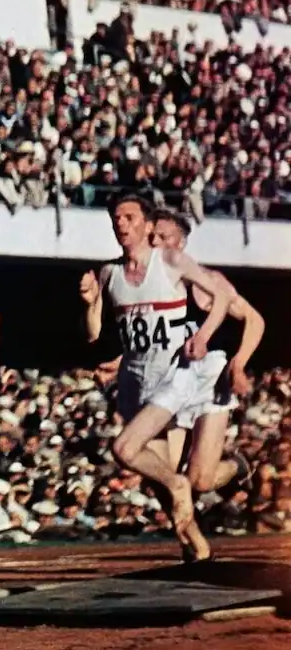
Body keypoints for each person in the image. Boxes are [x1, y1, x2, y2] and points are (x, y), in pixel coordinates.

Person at [79, 192, 232, 563]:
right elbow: (93, 334)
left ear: (148, 226)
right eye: (116, 218)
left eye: (129, 217)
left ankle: (182, 488)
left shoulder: (171, 261)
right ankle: (196, 545)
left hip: (174, 376)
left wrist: (202, 337)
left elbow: (222, 297)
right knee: (156, 472)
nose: (121, 224)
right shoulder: (108, 273)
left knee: (125, 449)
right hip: (135, 379)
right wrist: (88, 304)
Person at [151, 209, 264, 505]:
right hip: (173, 380)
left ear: (180, 244)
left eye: (164, 237)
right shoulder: (151, 287)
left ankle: (235, 466)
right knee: (164, 477)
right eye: (152, 237)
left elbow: (255, 320)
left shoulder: (207, 281)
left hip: (210, 379)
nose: (156, 243)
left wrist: (238, 364)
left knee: (199, 480)